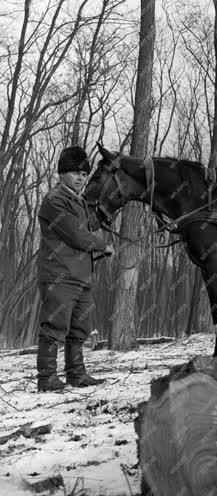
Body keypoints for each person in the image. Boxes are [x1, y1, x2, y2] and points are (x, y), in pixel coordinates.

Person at [35, 146, 114, 392]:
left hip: (81, 276)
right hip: (59, 274)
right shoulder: (55, 200)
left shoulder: (79, 201)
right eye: (74, 172)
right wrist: (104, 245)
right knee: (54, 326)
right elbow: (77, 236)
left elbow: (90, 225)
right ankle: (46, 379)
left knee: (80, 328)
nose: (80, 177)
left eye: (84, 173)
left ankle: (76, 375)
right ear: (61, 174)